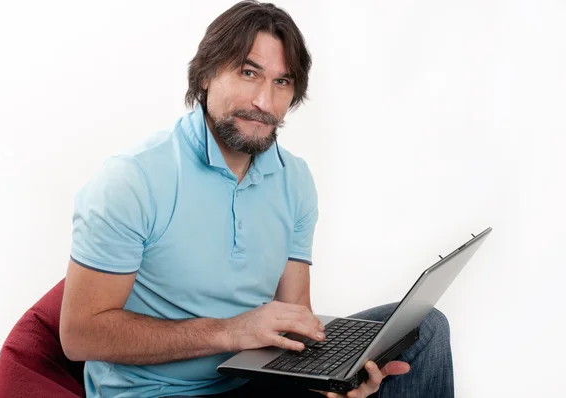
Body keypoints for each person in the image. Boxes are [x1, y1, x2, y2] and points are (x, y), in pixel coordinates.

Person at [59, 1, 454, 397]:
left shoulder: (293, 179)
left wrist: (332, 380)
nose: (264, 102)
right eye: (249, 73)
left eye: (282, 82)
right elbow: (79, 335)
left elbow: (295, 315)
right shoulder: (134, 179)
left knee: (426, 329)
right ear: (207, 74)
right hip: (159, 392)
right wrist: (231, 331)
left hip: (256, 380)